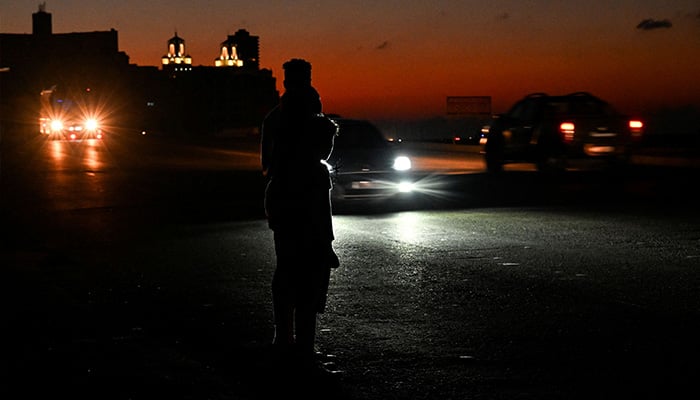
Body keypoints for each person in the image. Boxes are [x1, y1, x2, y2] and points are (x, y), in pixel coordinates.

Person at [260, 58, 340, 376]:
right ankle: (301, 344)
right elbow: (321, 154)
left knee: (288, 271)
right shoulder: (309, 111)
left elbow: (267, 163)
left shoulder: (275, 118)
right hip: (303, 200)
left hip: (284, 200)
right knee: (309, 274)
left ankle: (286, 339)